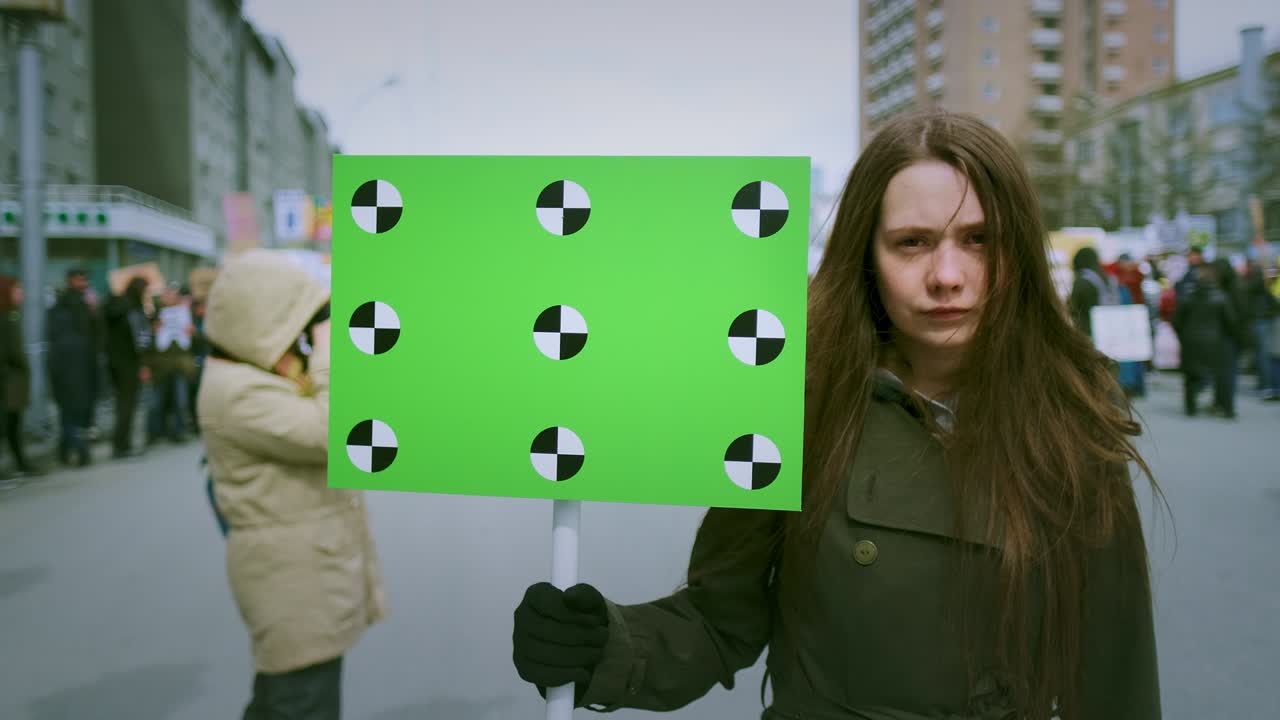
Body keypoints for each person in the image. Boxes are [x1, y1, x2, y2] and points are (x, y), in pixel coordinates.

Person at [512, 110, 1161, 720]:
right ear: (867, 255)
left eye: (979, 240)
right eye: (912, 243)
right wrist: (601, 644)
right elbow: (719, 621)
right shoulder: (796, 400)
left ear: (1017, 250)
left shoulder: (1073, 414)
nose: (947, 274)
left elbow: (1114, 672)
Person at [198, 250, 386, 719]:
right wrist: (326, 348)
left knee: (282, 702)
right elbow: (335, 431)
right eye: (299, 322)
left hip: (306, 577)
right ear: (262, 320)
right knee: (301, 704)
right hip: (292, 585)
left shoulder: (251, 374)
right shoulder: (236, 392)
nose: (305, 335)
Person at [46, 268, 102, 467]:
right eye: (80, 280)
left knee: (70, 411)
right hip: (72, 367)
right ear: (71, 281)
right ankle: (79, 449)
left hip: (79, 367)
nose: (83, 284)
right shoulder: (70, 306)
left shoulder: (80, 305)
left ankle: (66, 450)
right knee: (71, 411)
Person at [1174, 261, 1241, 418]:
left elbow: (1177, 321)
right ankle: (1226, 408)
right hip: (1215, 341)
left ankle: (1190, 408)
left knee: (1190, 376)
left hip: (1190, 341)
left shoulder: (1187, 297)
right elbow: (1230, 321)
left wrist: (1183, 336)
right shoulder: (1221, 297)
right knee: (1221, 376)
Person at [104, 276, 154, 458]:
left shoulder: (117, 306)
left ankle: (121, 443)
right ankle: (122, 445)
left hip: (115, 362)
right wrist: (144, 363)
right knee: (127, 404)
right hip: (129, 363)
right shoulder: (133, 309)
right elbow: (141, 340)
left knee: (123, 404)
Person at [0, 276, 36, 476]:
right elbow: (10, 351)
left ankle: (22, 464)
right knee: (7, 425)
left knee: (13, 425)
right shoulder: (7, 318)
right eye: (17, 290)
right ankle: (20, 465)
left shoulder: (12, 315)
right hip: (8, 381)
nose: (21, 294)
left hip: (12, 381)